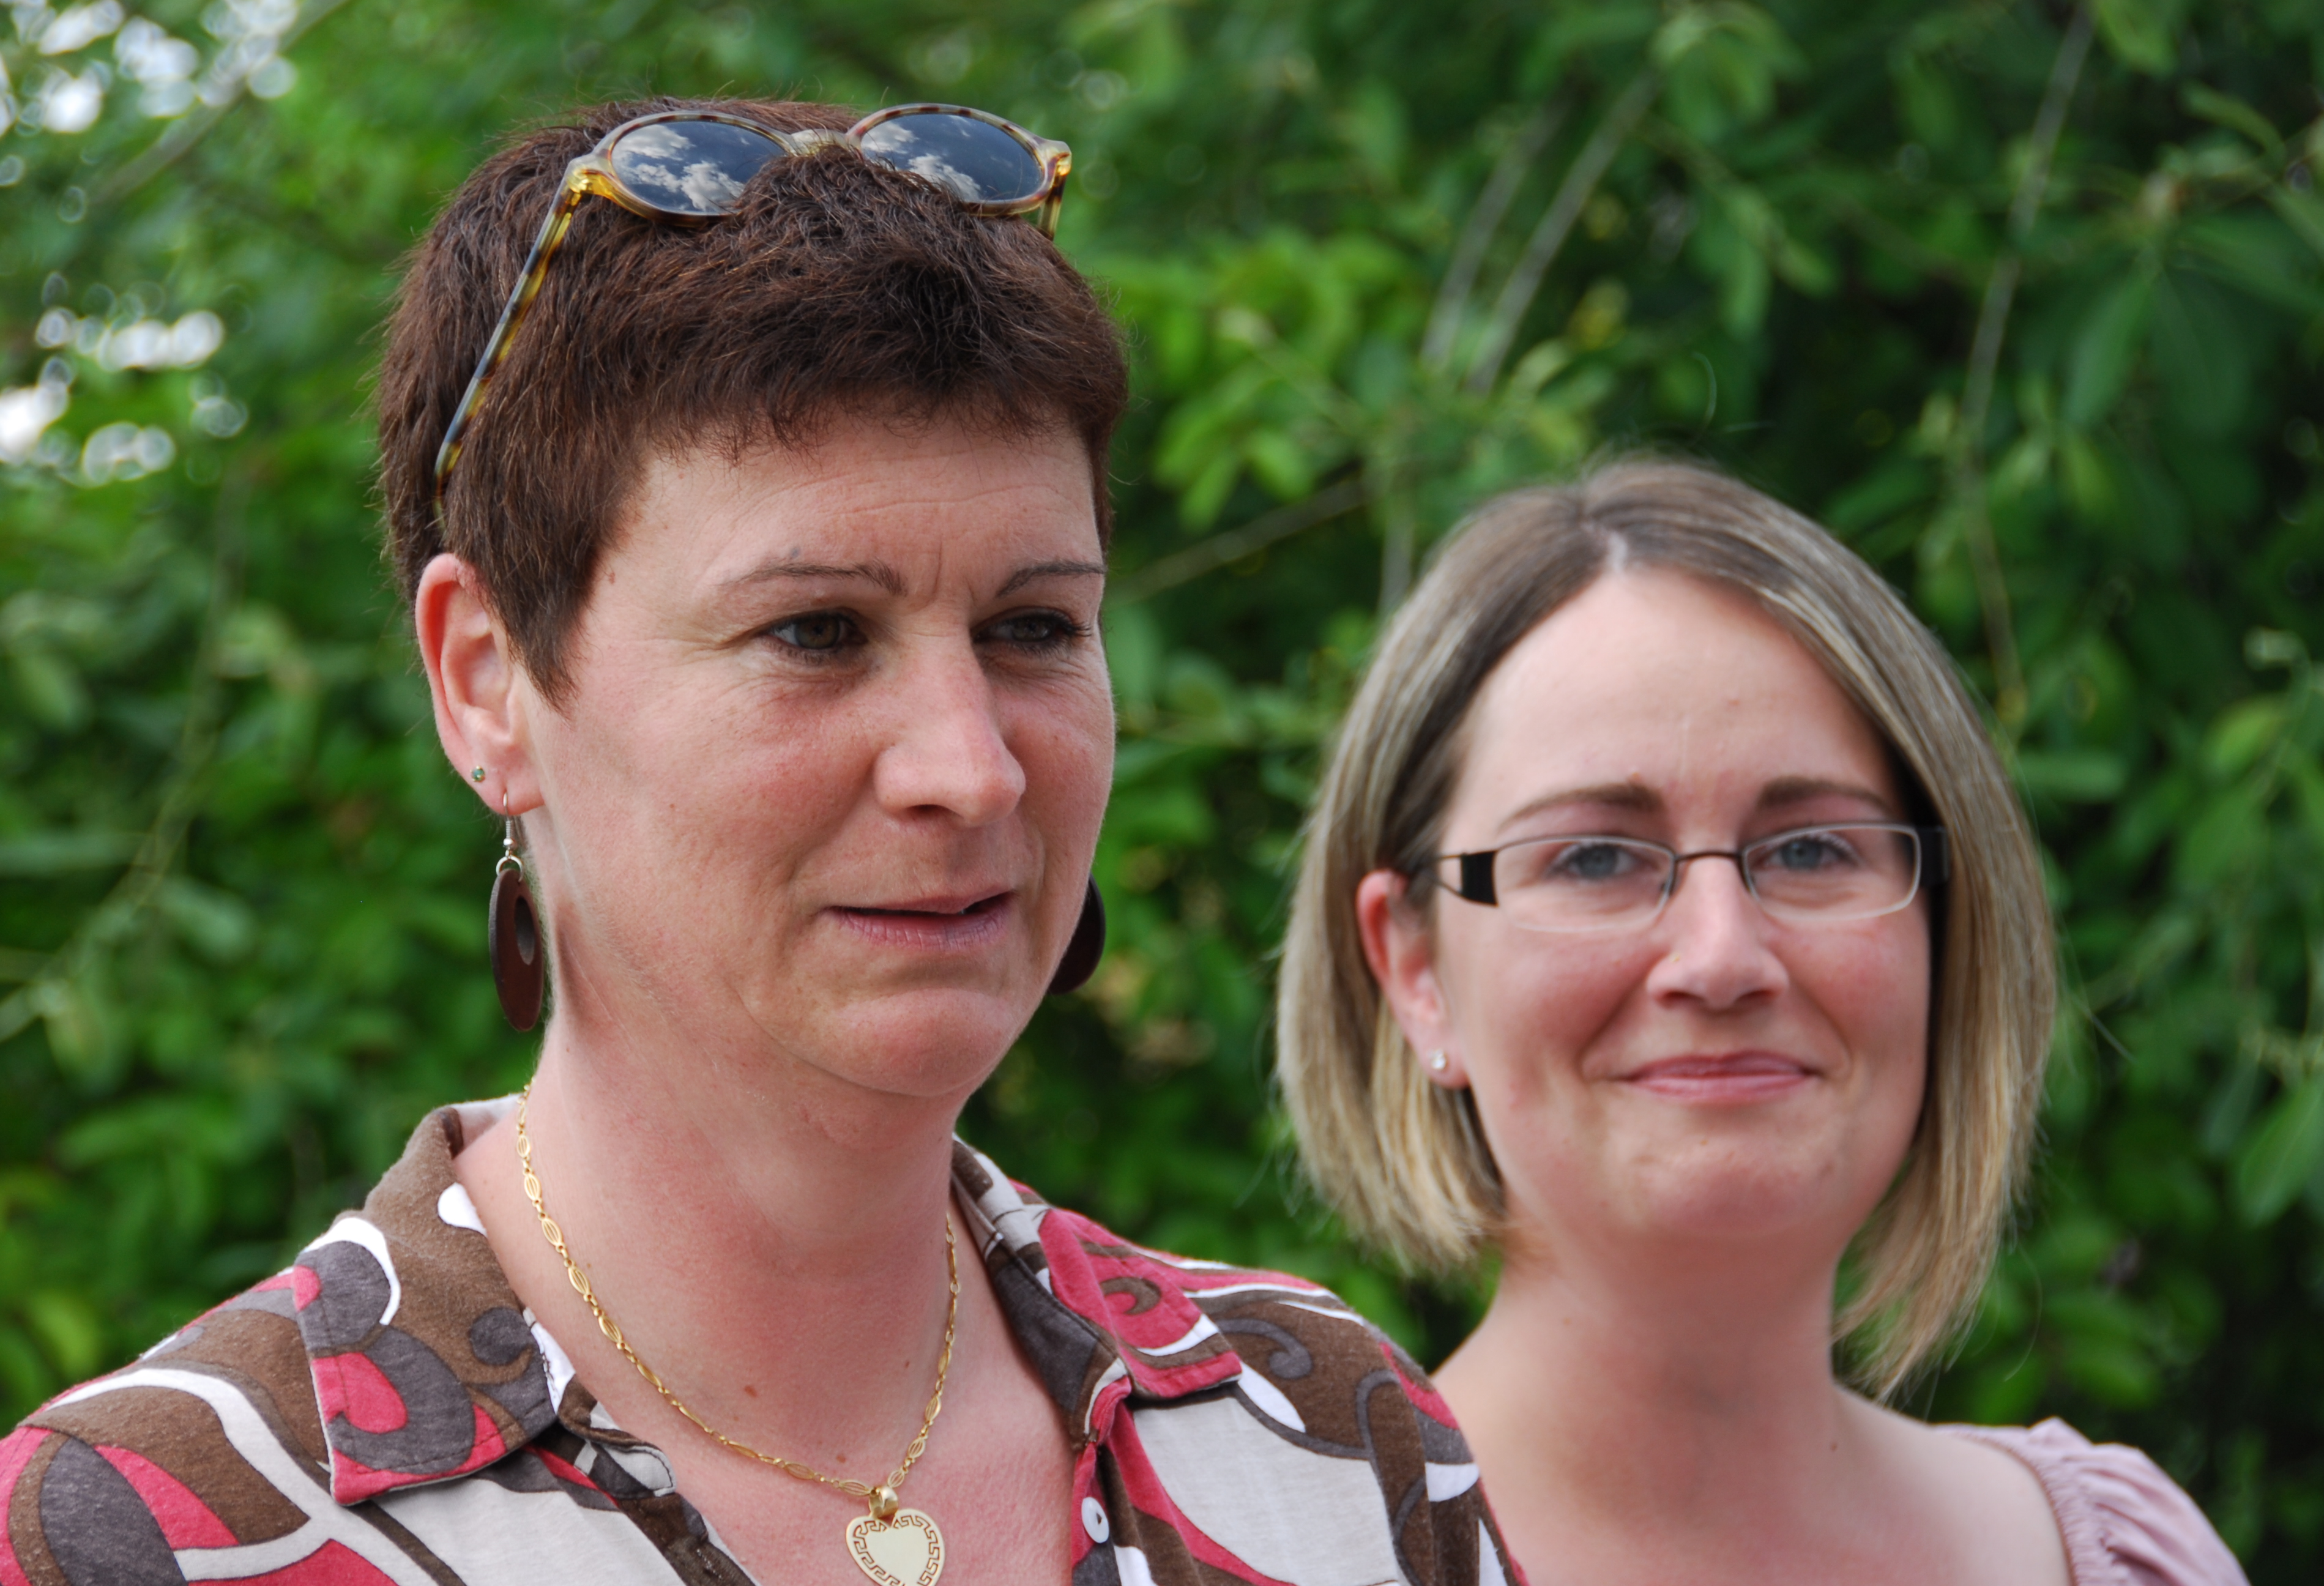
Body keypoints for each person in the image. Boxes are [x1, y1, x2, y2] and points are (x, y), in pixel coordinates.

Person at [2, 97, 1511, 1586]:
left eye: (1034, 627)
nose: (971, 769)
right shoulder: (157, 1534)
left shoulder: (1326, 1444)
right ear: (487, 681)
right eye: (815, 631)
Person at [1277, 459, 2249, 1586]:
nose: (1722, 958)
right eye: (1593, 858)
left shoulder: (2125, 1561)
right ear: (1414, 967)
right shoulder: (1257, 1567)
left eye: (1813, 849)